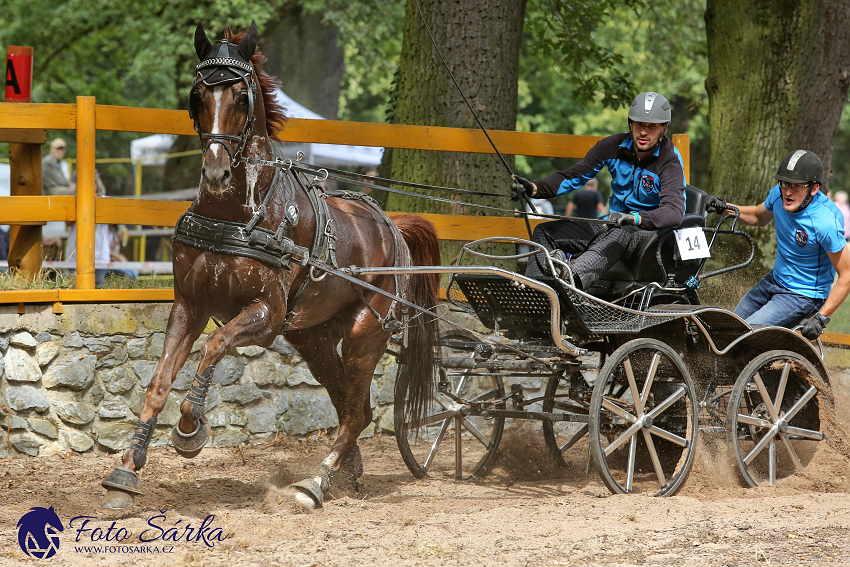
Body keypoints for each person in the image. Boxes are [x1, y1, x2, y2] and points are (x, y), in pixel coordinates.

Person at [511, 92, 686, 287]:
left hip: (649, 233)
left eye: (651, 126)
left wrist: (635, 218)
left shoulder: (670, 160)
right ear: (630, 124)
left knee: (623, 230)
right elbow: (574, 176)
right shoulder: (611, 146)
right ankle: (536, 290)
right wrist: (535, 188)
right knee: (544, 231)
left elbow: (674, 211)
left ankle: (569, 279)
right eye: (639, 124)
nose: (644, 132)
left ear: (664, 128)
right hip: (613, 223)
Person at [720, 150, 850, 340]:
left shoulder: (825, 222)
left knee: (746, 337)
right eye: (785, 183)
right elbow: (758, 216)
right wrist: (724, 208)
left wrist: (822, 318)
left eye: (797, 187)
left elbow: (846, 274)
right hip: (774, 280)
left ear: (814, 189)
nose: (788, 192)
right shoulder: (778, 195)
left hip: (803, 296)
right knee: (728, 328)